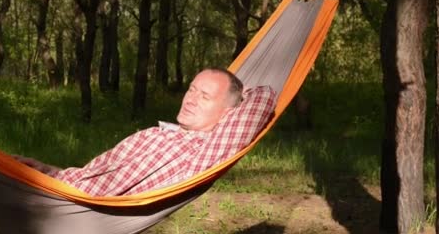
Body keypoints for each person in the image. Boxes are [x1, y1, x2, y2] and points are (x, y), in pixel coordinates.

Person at [14, 68, 276, 196]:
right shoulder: (159, 133)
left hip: (68, 202)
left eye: (205, 96)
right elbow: (93, 176)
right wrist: (49, 172)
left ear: (229, 114)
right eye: (192, 89)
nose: (190, 99)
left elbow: (264, 96)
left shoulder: (203, 152)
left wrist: (242, 94)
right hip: (63, 189)